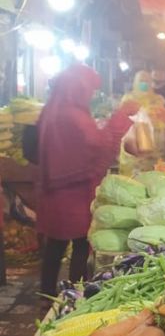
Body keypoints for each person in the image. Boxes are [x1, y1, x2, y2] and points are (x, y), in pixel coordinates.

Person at [36, 64, 138, 301]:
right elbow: (98, 147)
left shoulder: (53, 109)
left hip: (54, 192)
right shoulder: (73, 116)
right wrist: (120, 117)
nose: (91, 95)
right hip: (73, 195)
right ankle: (75, 292)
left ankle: (46, 295)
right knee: (81, 243)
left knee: (55, 247)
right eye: (89, 90)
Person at [119, 71, 165, 176]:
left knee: (152, 178)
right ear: (135, 82)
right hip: (133, 151)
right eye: (141, 81)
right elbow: (121, 122)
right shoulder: (128, 99)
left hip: (155, 151)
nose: (144, 84)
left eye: (146, 81)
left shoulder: (158, 100)